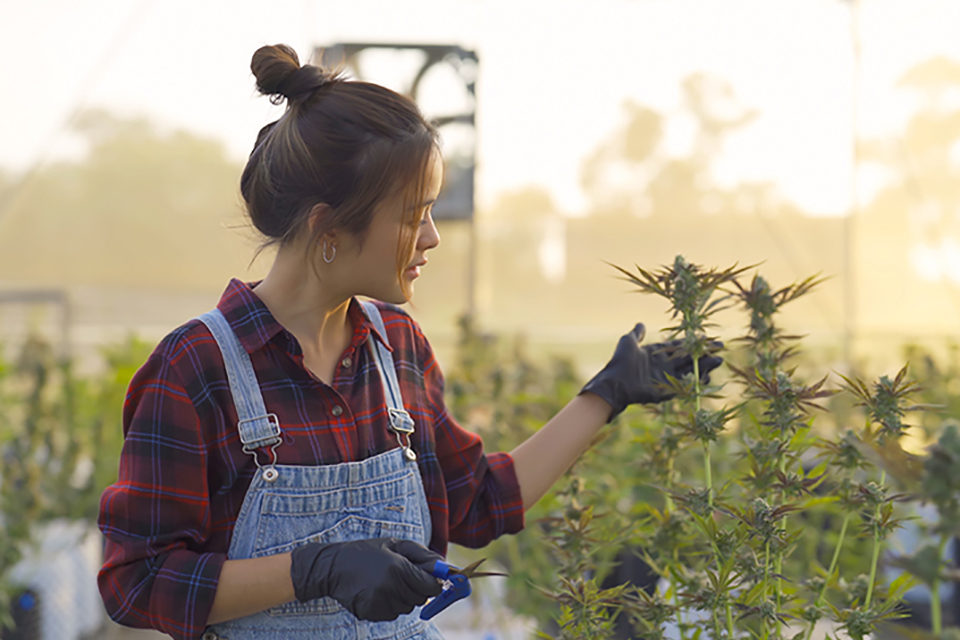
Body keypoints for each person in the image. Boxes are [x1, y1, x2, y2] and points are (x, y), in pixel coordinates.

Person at [96, 44, 722, 640]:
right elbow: (138, 582)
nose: (431, 237)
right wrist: (315, 569)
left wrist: (606, 394)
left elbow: (477, 502)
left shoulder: (397, 348)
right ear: (328, 227)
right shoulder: (197, 367)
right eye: (411, 215)